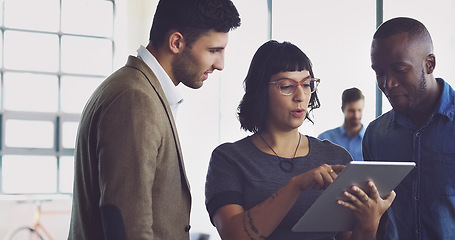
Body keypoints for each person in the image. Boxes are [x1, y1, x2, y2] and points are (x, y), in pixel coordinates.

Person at [68, 0, 240, 239]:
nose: (220, 65)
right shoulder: (135, 99)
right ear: (176, 42)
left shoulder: (140, 89)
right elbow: (128, 224)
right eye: (214, 50)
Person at [205, 40, 395, 240]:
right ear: (261, 91)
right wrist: (297, 185)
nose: (300, 96)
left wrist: (369, 223)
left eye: (306, 84)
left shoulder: (336, 156)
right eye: (286, 86)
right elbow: (235, 236)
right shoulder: (229, 159)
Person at [363, 17, 455, 239]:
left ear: (429, 64)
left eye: (400, 69)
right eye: (379, 72)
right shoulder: (376, 135)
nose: (387, 83)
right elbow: (379, 218)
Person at [318, 87, 365, 161]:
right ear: (343, 109)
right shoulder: (325, 139)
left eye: (359, 110)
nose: (356, 115)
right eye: (351, 111)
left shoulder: (372, 140)